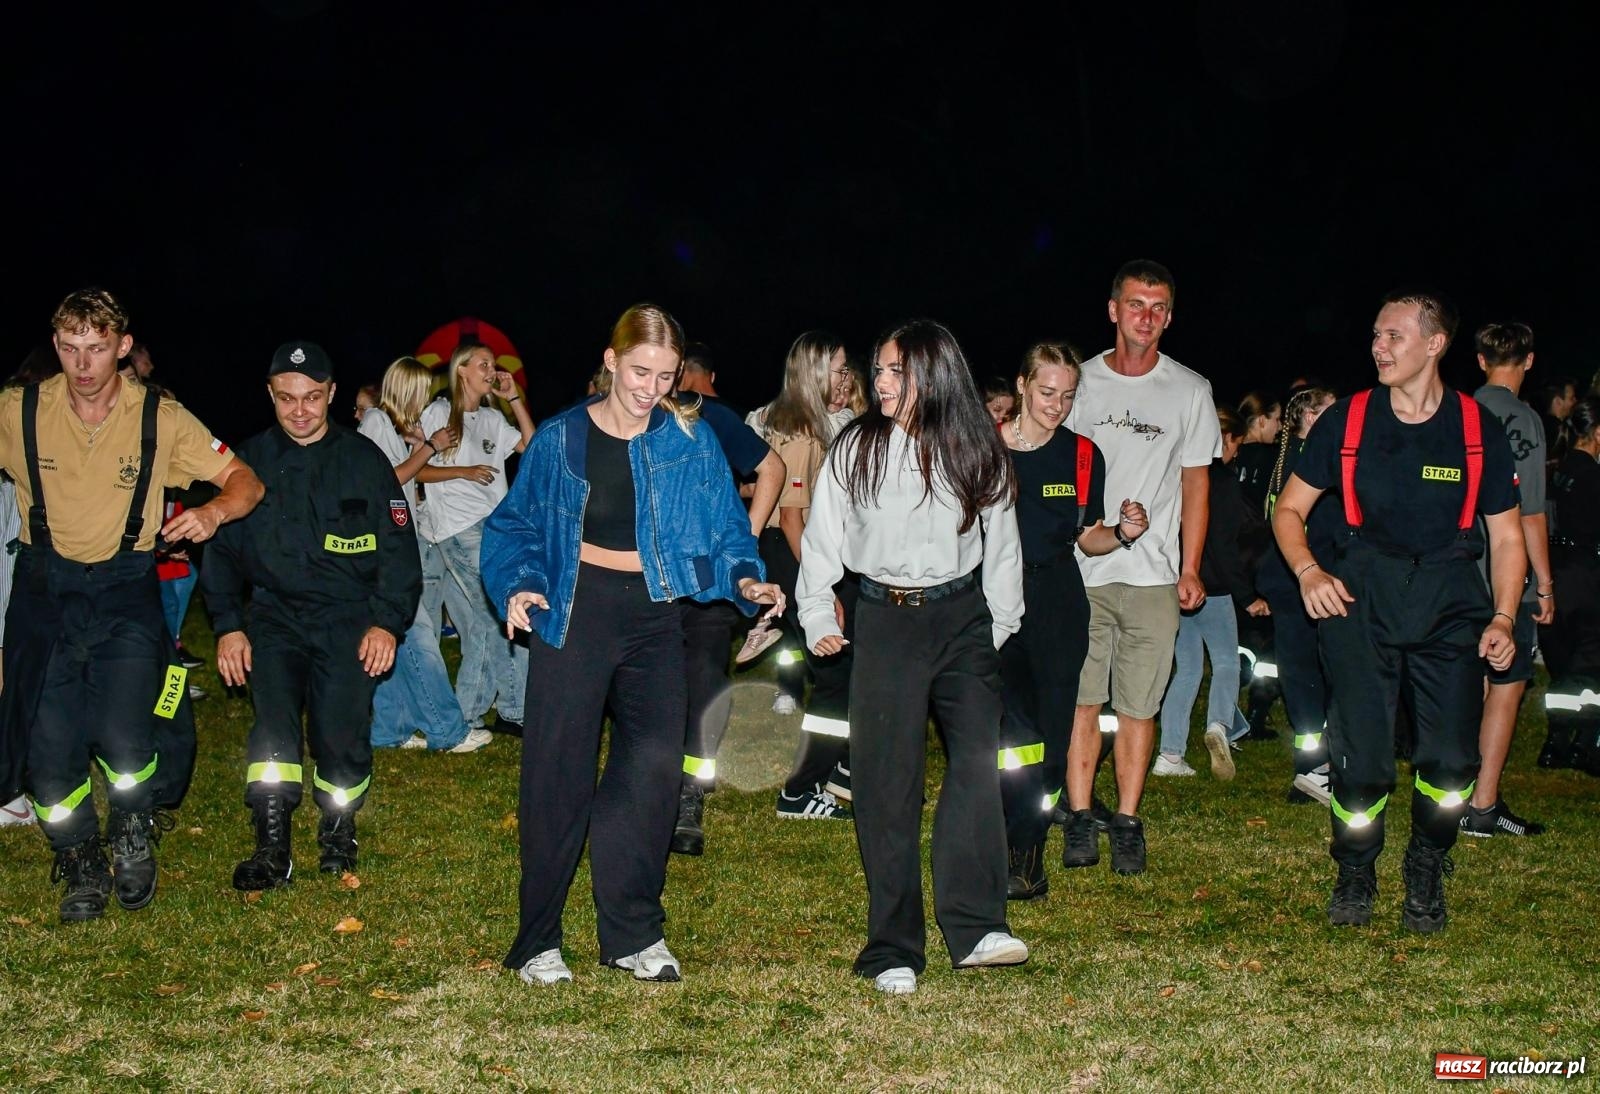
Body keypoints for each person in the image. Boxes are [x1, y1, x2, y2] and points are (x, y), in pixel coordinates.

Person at [483, 304, 781, 987]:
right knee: (558, 774)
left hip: (653, 616)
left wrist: (748, 582)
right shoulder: (560, 439)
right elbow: (514, 528)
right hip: (575, 610)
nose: (651, 387)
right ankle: (539, 941)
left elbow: (727, 529)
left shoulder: (688, 440)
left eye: (666, 375)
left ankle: (633, 933)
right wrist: (522, 584)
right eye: (640, 371)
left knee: (650, 773)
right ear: (612, 361)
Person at [0, 288, 264, 921]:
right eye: (69, 348)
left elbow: (245, 480)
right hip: (43, 589)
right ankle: (80, 857)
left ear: (122, 347)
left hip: (124, 589)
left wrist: (211, 511)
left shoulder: (161, 418)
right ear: (55, 346)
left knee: (125, 733)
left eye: (96, 349)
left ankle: (130, 826)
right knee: (49, 742)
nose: (82, 364)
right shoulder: (21, 408)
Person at [1272, 289, 1523, 933]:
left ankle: (1428, 862)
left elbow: (1508, 536)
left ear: (1435, 344)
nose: (1377, 347)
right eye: (1376, 336)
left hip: (1450, 601)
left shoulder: (1476, 429)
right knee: (1363, 756)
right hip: (1361, 597)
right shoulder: (1349, 420)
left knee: (1449, 763)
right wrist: (1309, 572)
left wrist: (1501, 617)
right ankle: (1356, 866)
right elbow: (1289, 509)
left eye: (1393, 336)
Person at [798, 318, 1027, 996]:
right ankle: (892, 946)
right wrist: (816, 614)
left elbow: (1002, 541)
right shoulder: (855, 447)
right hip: (885, 619)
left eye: (900, 370)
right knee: (885, 783)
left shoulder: (974, 444)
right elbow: (822, 538)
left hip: (963, 621)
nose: (884, 382)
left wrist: (1000, 624)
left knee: (976, 766)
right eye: (882, 370)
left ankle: (978, 925)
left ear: (937, 373)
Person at [202, 341, 422, 890]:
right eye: (287, 399)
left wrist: (386, 623)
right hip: (274, 619)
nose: (300, 410)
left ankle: (338, 827)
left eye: (312, 398)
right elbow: (222, 553)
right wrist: (229, 625)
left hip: (349, 620)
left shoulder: (365, 460)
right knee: (272, 728)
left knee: (339, 732)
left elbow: (399, 550)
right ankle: (272, 844)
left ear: (331, 394)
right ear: (270, 396)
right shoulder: (247, 466)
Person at [1060, 260, 1221, 876]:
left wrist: (1191, 566)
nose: (1146, 317)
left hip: (1154, 574)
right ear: (1113, 310)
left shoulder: (1190, 390)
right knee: (1080, 699)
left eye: (1158, 308)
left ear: (1169, 318)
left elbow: (1196, 485)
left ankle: (1126, 821)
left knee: (1138, 705)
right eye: (1135, 304)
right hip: (1083, 567)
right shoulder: (1080, 383)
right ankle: (1079, 818)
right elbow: (1056, 467)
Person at [999, 342, 1147, 901]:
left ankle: (1031, 840)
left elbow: (1090, 537)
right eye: (1045, 392)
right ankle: (1015, 849)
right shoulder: (984, 448)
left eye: (1067, 395)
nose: (1056, 405)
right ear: (1020, 385)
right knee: (1012, 735)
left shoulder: (1083, 456)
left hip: (1059, 598)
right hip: (996, 598)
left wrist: (1125, 533)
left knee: (1053, 738)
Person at [663, 342, 783, 856]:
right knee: (655, 688)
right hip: (653, 582)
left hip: (712, 585)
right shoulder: (618, 416)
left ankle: (690, 799)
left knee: (706, 686)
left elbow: (771, 468)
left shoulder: (709, 415)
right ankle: (651, 790)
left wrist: (747, 537)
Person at [749, 332, 858, 823]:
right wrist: (822, 588)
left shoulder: (796, 421)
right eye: (837, 368)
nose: (845, 376)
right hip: (791, 554)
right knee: (835, 676)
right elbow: (791, 517)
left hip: (794, 554)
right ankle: (800, 790)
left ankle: (840, 771)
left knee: (842, 675)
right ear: (813, 372)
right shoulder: (800, 431)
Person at [358, 356, 490, 754]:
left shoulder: (390, 428)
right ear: (406, 389)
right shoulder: (376, 423)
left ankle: (388, 730)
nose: (426, 401)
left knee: (395, 641)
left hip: (396, 546)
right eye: (422, 393)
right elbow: (388, 479)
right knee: (418, 639)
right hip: (383, 553)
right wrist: (429, 446)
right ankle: (447, 731)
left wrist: (417, 443)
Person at [1463, 322, 1553, 836]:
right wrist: (1544, 583)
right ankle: (1482, 805)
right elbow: (1531, 512)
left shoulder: (1456, 410)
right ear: (1529, 361)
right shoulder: (1525, 421)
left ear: (1479, 360)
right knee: (1507, 682)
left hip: (1455, 570)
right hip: (1503, 574)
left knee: (1464, 680)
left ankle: (1448, 792)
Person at [418, 342, 536, 735]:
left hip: (496, 527)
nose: (491, 370)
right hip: (456, 526)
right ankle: (475, 715)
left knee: (497, 617)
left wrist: (514, 398)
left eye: (493, 364)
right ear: (462, 370)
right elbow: (417, 471)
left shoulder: (490, 418)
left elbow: (532, 449)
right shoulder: (438, 413)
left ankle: (503, 710)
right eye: (483, 364)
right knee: (492, 615)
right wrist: (463, 472)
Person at [1154, 406, 1266, 780]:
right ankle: (1219, 725)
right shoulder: (1223, 481)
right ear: (1228, 440)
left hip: (1176, 584)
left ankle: (1169, 756)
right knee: (1226, 662)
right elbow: (1224, 545)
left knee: (1185, 669)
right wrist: (1247, 595)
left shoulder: (1179, 474)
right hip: (1213, 588)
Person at [1255, 385, 1338, 802]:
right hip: (1307, 584)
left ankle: (1310, 773)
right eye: (1331, 412)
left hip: (1285, 583)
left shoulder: (1283, 459)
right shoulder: (1313, 464)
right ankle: (1315, 770)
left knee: (1300, 674)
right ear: (1310, 418)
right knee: (1313, 677)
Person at [1539, 396, 1600, 774]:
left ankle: (1556, 741)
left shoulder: (1557, 471)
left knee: (1564, 666)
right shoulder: (1593, 475)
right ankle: (1582, 743)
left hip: (1557, 571)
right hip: (1588, 574)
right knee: (1590, 665)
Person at [1233, 390, 1281, 512]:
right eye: (1277, 419)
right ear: (1262, 421)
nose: (1280, 427)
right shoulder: (1272, 457)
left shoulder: (1228, 451)